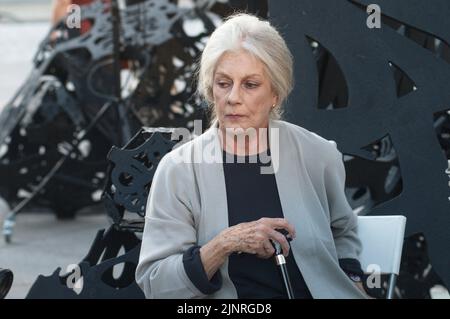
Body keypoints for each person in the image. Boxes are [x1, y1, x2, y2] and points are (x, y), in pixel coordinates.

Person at [136, 13, 370, 299]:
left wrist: (353, 277)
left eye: (250, 84)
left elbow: (343, 231)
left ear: (275, 94)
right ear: (211, 90)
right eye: (224, 83)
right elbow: (155, 283)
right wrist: (224, 244)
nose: (233, 97)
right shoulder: (179, 170)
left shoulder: (318, 154)